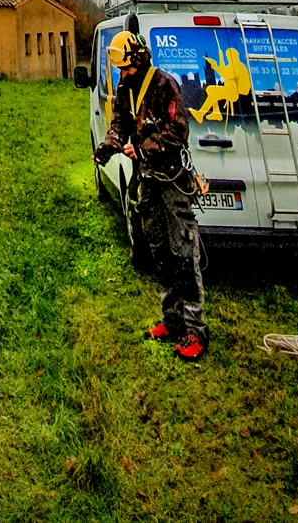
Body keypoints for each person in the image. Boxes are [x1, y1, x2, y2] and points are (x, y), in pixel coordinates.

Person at [94, 26, 208, 360]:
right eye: (120, 69)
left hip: (172, 180)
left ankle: (196, 332)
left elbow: (178, 133)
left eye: (127, 68)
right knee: (161, 252)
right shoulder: (125, 86)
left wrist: (141, 150)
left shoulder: (164, 85)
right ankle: (171, 321)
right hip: (148, 182)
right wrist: (108, 147)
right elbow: (120, 124)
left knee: (184, 253)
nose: (123, 74)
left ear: (140, 59)